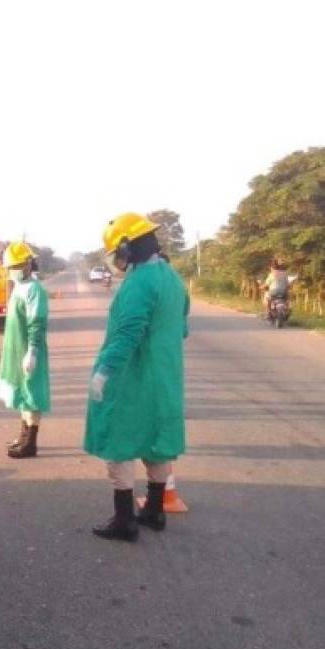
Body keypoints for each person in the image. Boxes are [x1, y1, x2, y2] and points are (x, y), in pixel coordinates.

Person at [85, 212, 190, 542]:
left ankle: (124, 520)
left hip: (132, 378)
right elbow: (182, 327)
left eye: (119, 251)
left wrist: (105, 372)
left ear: (128, 247)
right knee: (157, 442)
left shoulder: (139, 283)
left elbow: (127, 335)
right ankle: (155, 510)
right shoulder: (172, 278)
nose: (118, 258)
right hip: (165, 375)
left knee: (120, 441)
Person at [0, 242, 50, 458]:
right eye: (11, 266)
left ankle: (31, 443)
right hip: (16, 349)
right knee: (21, 394)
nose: (12, 270)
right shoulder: (19, 286)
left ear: (27, 264)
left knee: (32, 395)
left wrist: (32, 351)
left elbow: (37, 321)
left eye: (16, 265)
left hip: (28, 350)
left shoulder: (35, 289)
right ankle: (23, 435)